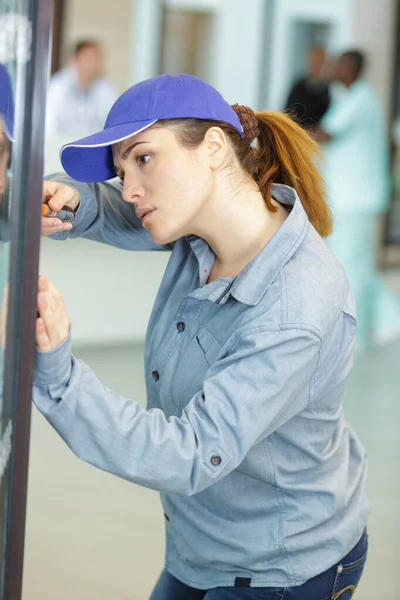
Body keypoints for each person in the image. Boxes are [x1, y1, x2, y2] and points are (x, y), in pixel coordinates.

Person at [35, 74, 369, 599]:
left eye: (143, 158)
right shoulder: (200, 229)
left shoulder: (296, 304)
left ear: (214, 147)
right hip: (203, 547)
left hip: (282, 567)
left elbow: (190, 453)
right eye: (121, 170)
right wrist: (71, 197)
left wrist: (57, 373)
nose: (130, 186)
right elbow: (116, 209)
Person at [316, 50, 400, 350]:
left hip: (356, 198)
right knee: (353, 263)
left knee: (352, 266)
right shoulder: (350, 97)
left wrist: (284, 133)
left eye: (339, 63)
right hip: (348, 196)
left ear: (350, 68)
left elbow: (325, 134)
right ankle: (387, 321)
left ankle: (357, 336)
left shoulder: (360, 99)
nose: (334, 67)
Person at [45, 40, 118, 137]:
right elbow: (50, 126)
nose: (94, 63)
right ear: (76, 60)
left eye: (97, 57)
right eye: (89, 58)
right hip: (62, 148)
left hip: (94, 147)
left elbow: (114, 124)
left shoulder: (106, 88)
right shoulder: (58, 87)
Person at [284, 46, 330, 129]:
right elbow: (289, 111)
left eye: (320, 62)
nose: (316, 65)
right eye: (314, 61)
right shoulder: (299, 86)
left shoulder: (327, 87)